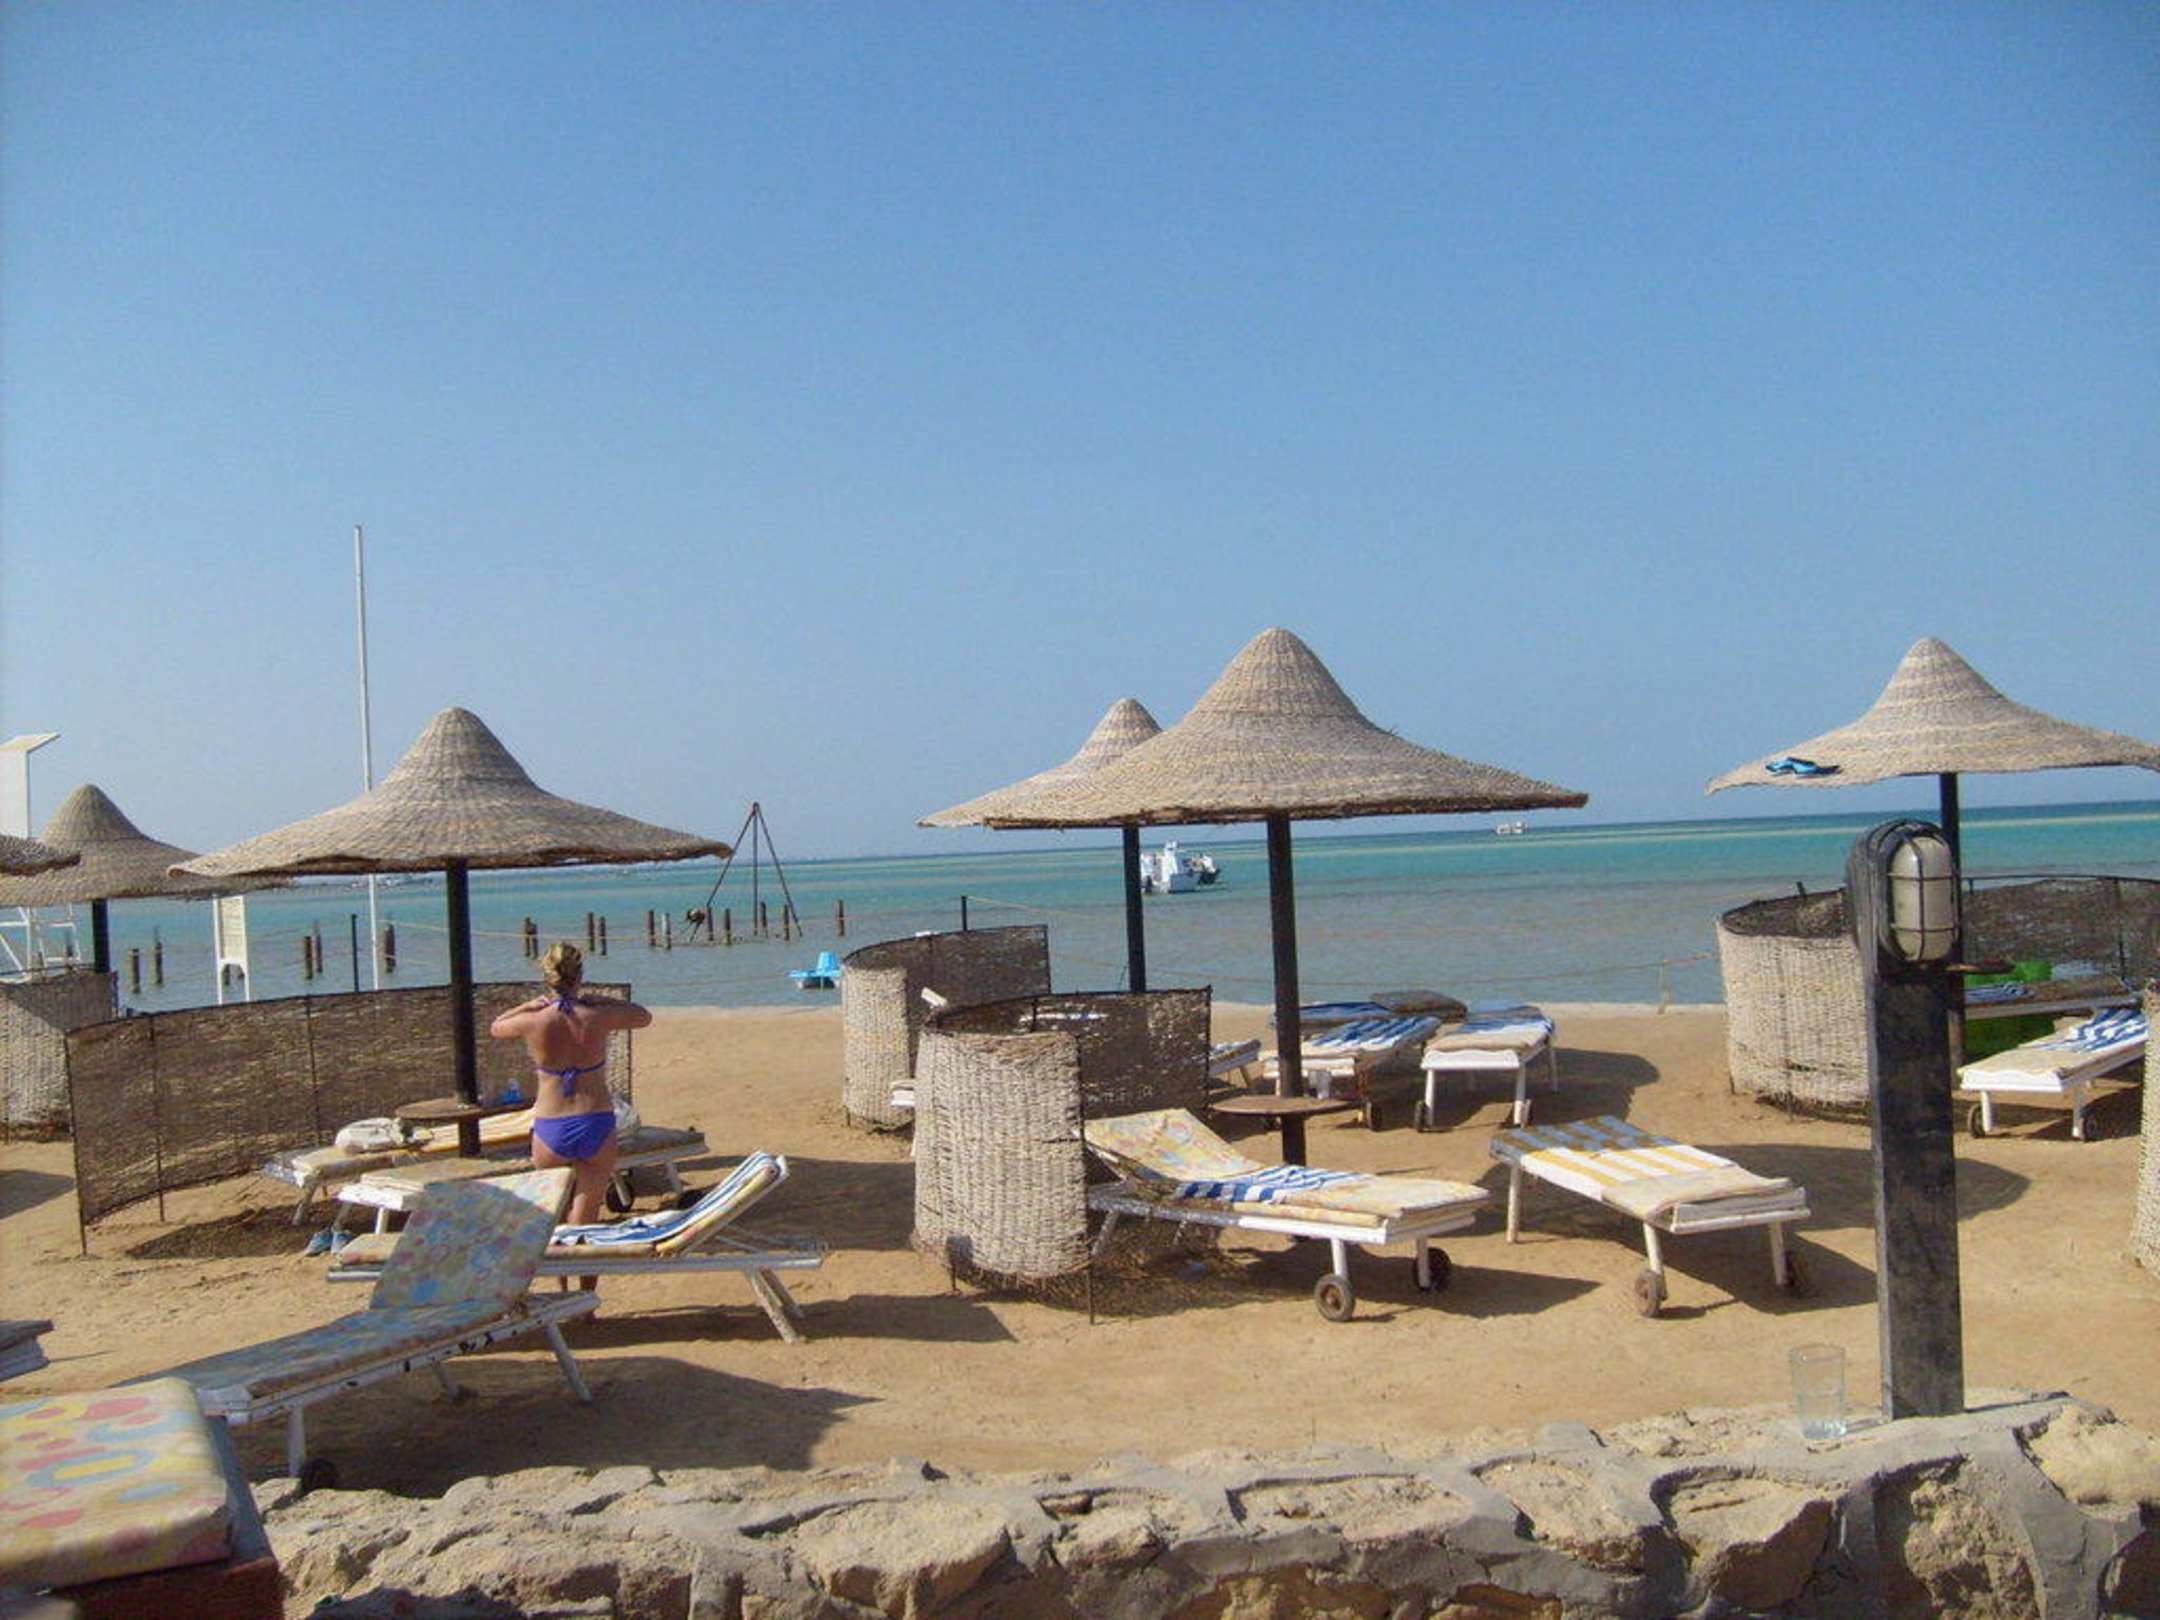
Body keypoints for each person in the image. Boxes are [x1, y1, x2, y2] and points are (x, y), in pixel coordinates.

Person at [489, 942, 652, 1236]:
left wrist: (524, 1007)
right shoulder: (595, 1016)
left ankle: (560, 1266)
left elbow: (496, 1027)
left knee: (554, 1219)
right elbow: (642, 1016)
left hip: (552, 1123)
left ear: (547, 977)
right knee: (585, 1222)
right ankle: (581, 1266)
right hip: (594, 1119)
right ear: (579, 976)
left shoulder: (534, 1020)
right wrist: (603, 1000)